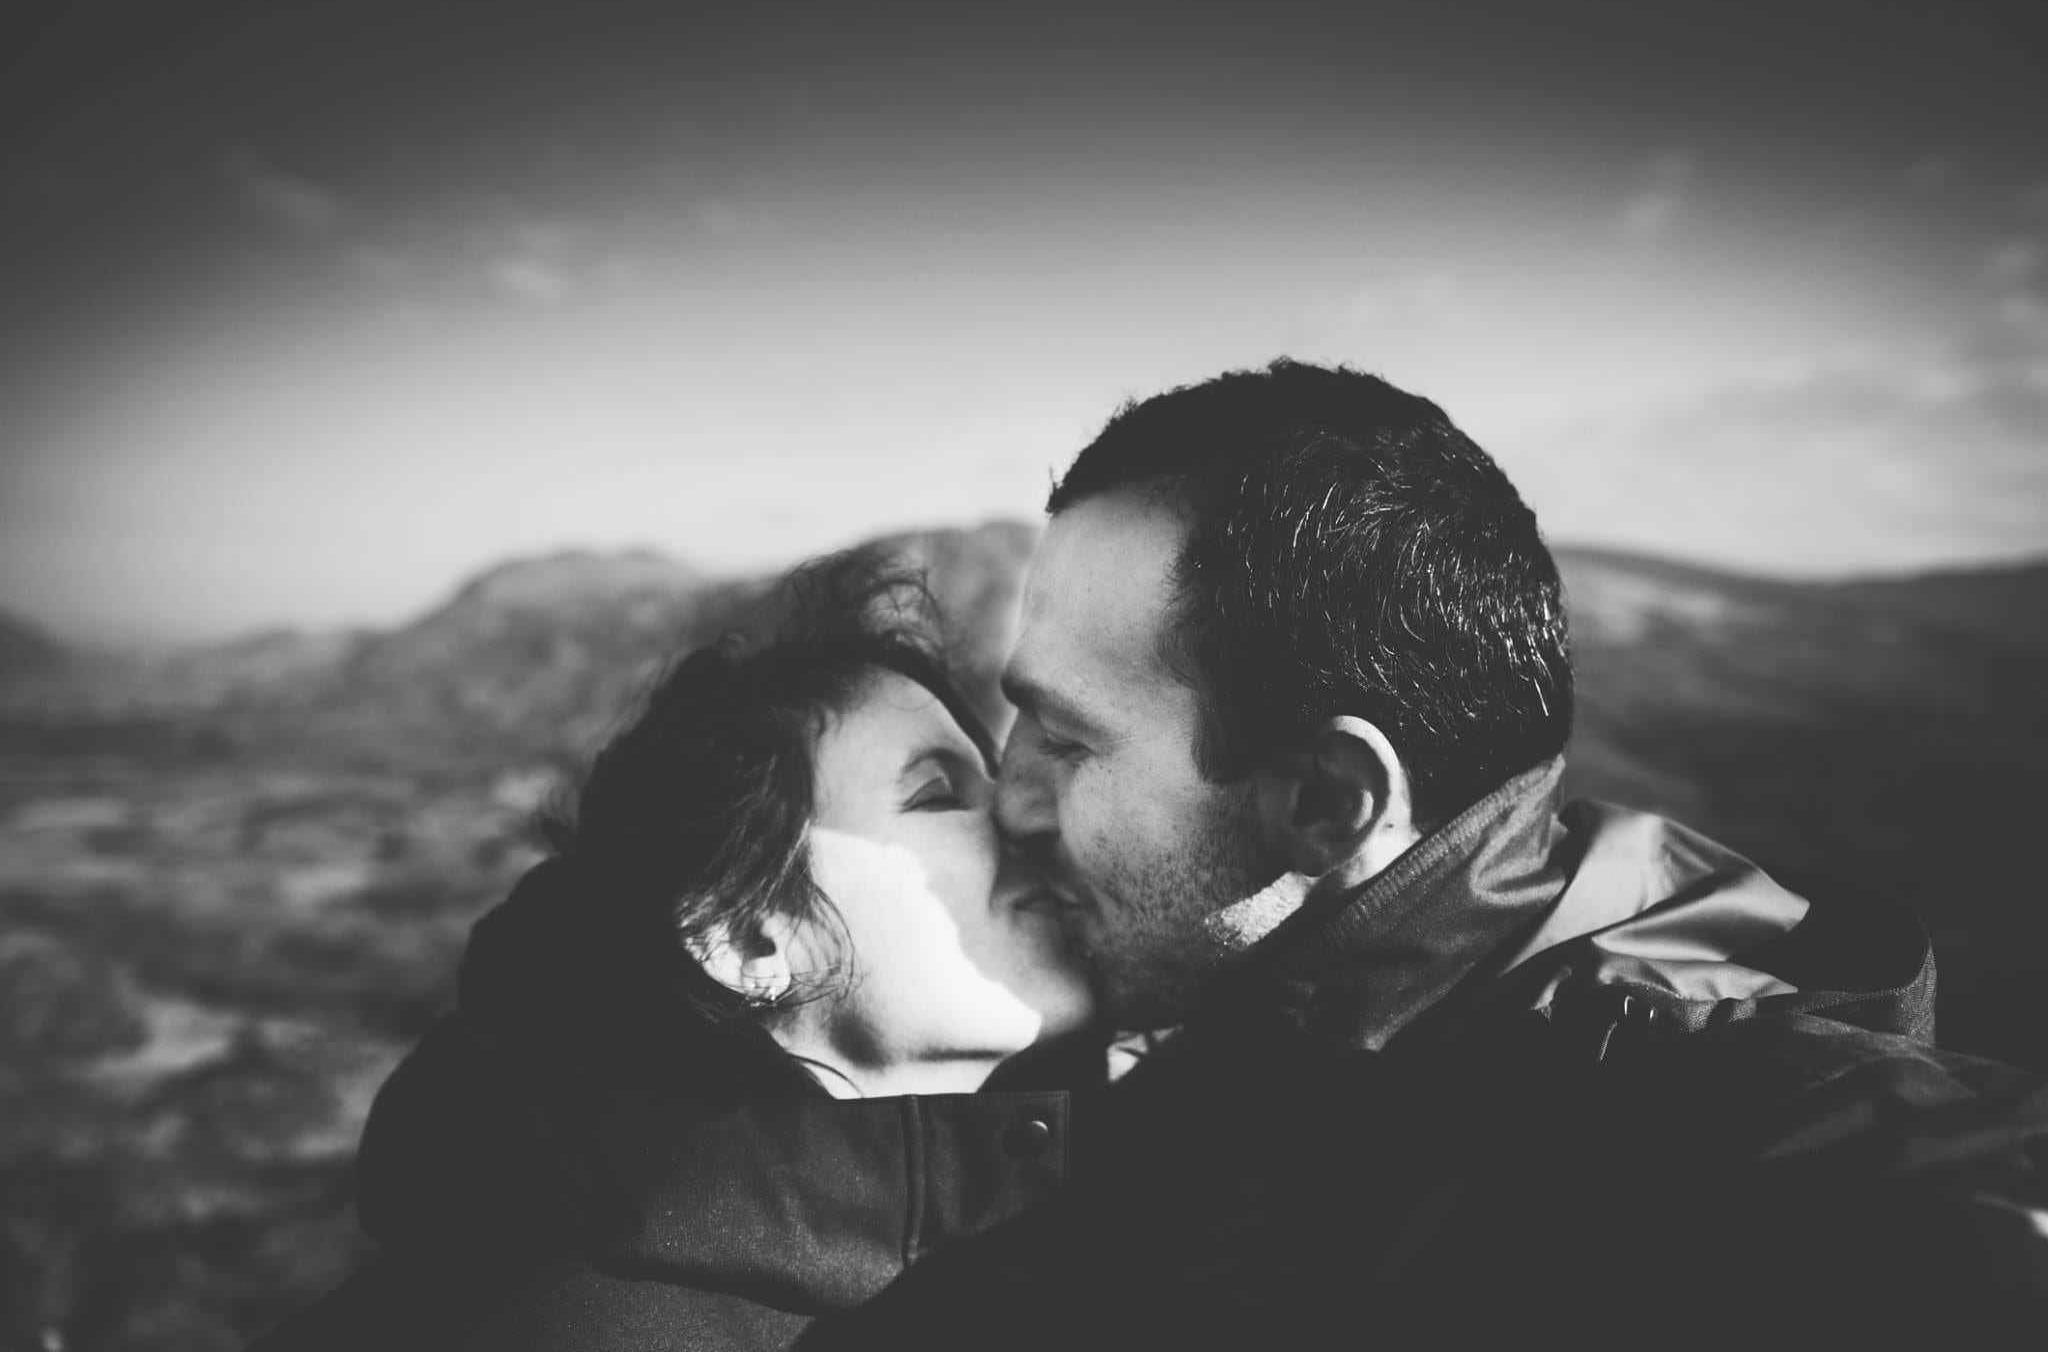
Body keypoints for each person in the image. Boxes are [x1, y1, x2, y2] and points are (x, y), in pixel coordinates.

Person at [804, 361, 2048, 1350]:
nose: (1010, 795)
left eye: (1068, 739)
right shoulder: (1271, 1010)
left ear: (1328, 802)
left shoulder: (1723, 1145)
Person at [248, 554, 1099, 1352]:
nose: (1027, 820)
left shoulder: (1072, 1228)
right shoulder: (541, 1324)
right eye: (938, 793)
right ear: (747, 939)